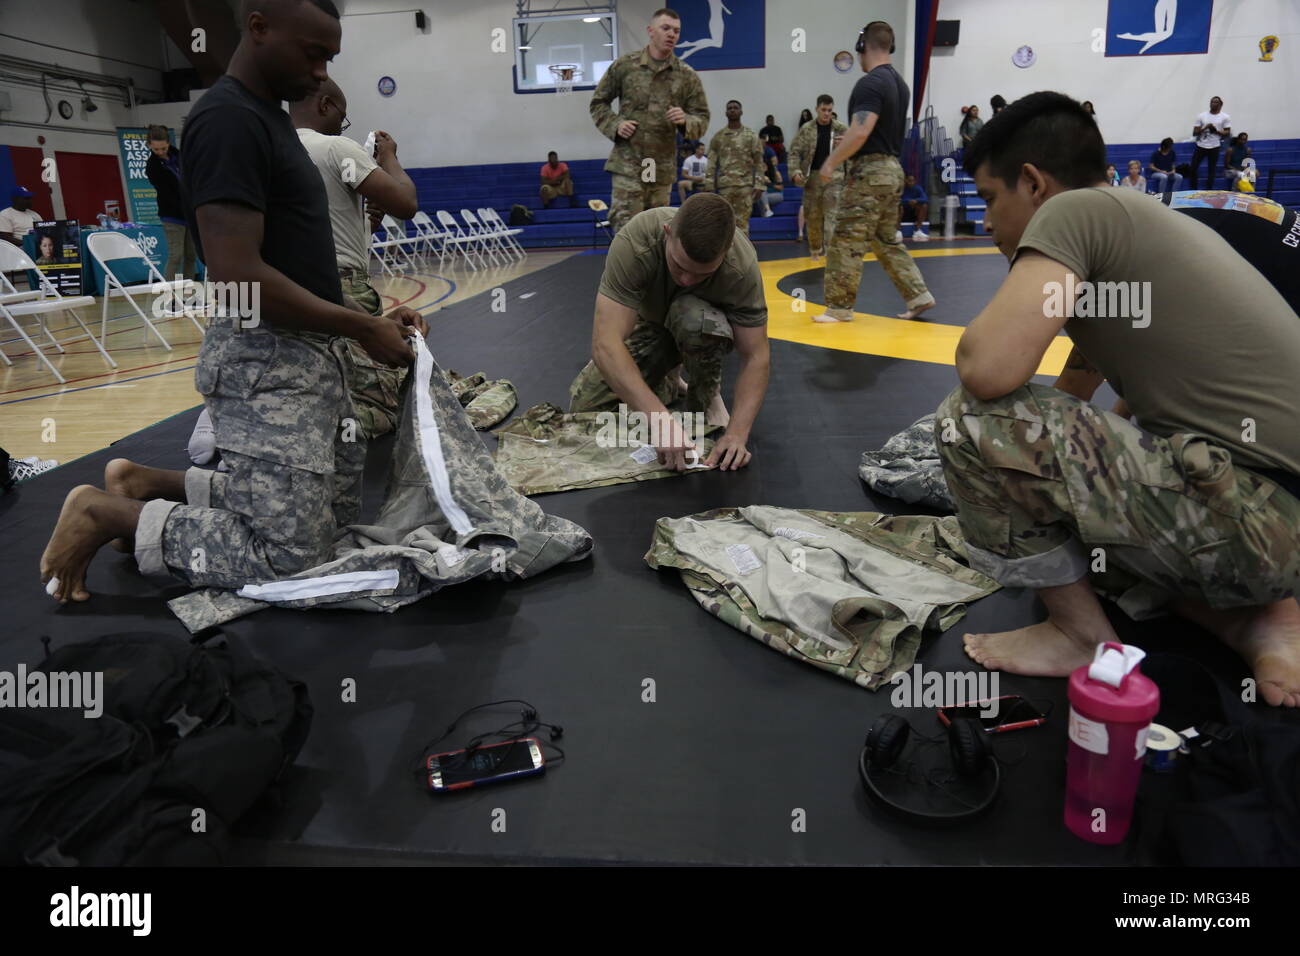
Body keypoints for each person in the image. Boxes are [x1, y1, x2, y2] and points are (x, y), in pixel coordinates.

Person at [39, 0, 428, 605]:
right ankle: (104, 515)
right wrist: (361, 327)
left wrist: (366, 321)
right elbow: (236, 275)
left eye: (329, 56)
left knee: (333, 519)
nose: (323, 71)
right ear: (259, 29)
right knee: (289, 558)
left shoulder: (267, 119)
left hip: (312, 350)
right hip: (264, 359)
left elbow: (291, 255)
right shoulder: (227, 122)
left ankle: (145, 486)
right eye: (314, 53)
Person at [941, 91, 1300, 708]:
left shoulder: (1074, 212)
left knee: (968, 422)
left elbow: (988, 371)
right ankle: (1255, 618)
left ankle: (1078, 635)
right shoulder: (1137, 224)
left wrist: (999, 475)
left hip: (1253, 517)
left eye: (990, 201)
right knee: (1076, 526)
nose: (989, 225)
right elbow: (1077, 393)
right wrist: (1064, 493)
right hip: (1272, 525)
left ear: (1032, 183)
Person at [566, 192, 770, 471]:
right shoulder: (636, 241)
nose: (687, 280)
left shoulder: (741, 265)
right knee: (586, 410)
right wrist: (660, 420)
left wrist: (737, 434)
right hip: (652, 326)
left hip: (700, 328)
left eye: (702, 275)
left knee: (691, 316)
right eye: (679, 265)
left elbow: (756, 356)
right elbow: (606, 344)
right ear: (667, 233)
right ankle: (669, 382)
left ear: (725, 255)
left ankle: (706, 392)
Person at [291, 75, 419, 439]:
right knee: (386, 409)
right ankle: (296, 436)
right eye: (341, 117)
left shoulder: (274, 149)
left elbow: (321, 228)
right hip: (341, 287)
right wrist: (389, 156)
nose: (341, 126)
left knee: (323, 380)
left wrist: (364, 226)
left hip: (292, 289)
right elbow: (406, 203)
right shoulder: (335, 148)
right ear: (325, 105)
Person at [816, 21, 934, 323]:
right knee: (885, 239)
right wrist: (854, 140)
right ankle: (918, 295)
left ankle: (839, 307)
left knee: (845, 236)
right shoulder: (900, 84)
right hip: (892, 170)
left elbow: (861, 129)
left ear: (862, 47)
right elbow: (872, 132)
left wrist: (829, 162)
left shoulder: (869, 83)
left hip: (870, 173)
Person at [589, 7, 709, 234]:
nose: (672, 34)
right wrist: (616, 125)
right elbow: (598, 103)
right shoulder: (625, 66)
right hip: (628, 165)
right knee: (626, 231)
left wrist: (685, 120)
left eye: (676, 31)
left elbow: (702, 118)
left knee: (657, 232)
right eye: (666, 28)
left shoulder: (686, 75)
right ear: (651, 31)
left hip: (659, 167)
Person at [787, 94, 846, 261]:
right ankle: (815, 249)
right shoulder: (806, 129)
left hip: (834, 176)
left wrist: (846, 145)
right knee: (813, 218)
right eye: (823, 110)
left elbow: (856, 151)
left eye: (829, 110)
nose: (827, 113)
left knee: (832, 217)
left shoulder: (842, 129)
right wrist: (795, 171)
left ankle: (831, 254)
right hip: (812, 177)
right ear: (817, 109)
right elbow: (794, 152)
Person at [145, 125, 197, 281]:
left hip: (189, 213)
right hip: (172, 215)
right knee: (176, 255)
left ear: (169, 143)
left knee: (191, 255)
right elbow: (168, 194)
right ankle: (168, 296)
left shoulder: (180, 156)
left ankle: (189, 294)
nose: (160, 152)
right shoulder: (152, 167)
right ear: (149, 146)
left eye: (163, 148)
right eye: (156, 150)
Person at [706, 99, 764, 236]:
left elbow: (759, 161)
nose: (732, 110)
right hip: (725, 187)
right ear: (726, 112)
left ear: (741, 111)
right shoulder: (718, 137)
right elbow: (711, 163)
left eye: (735, 107)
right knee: (724, 225)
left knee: (743, 226)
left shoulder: (751, 135)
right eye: (730, 108)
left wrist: (760, 185)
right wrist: (709, 185)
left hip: (745, 187)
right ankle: (725, 256)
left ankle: (743, 256)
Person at [1189, 95, 1230, 189]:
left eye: (1216, 102)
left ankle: (1208, 191)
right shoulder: (1202, 115)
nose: (1213, 103)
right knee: (1193, 168)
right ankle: (1193, 190)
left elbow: (1227, 132)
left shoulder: (1225, 117)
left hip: (1215, 146)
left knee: (1212, 170)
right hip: (1201, 145)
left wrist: (1216, 130)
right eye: (1212, 102)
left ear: (1220, 104)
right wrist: (1205, 127)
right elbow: (1195, 132)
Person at [755, 140, 783, 217]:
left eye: (764, 166)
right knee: (761, 192)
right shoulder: (757, 174)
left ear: (767, 165)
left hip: (775, 194)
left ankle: (766, 211)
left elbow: (780, 188)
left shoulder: (775, 172)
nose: (762, 167)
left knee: (761, 193)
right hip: (761, 195)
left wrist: (769, 183)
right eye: (760, 166)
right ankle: (767, 211)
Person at [900, 174, 929, 240]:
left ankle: (917, 231)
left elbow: (925, 199)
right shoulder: (901, 189)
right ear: (905, 181)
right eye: (909, 181)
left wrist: (916, 201)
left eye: (913, 181)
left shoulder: (918, 188)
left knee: (924, 206)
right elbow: (897, 200)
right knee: (898, 207)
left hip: (914, 212)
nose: (911, 182)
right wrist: (908, 201)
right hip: (903, 211)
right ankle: (898, 231)